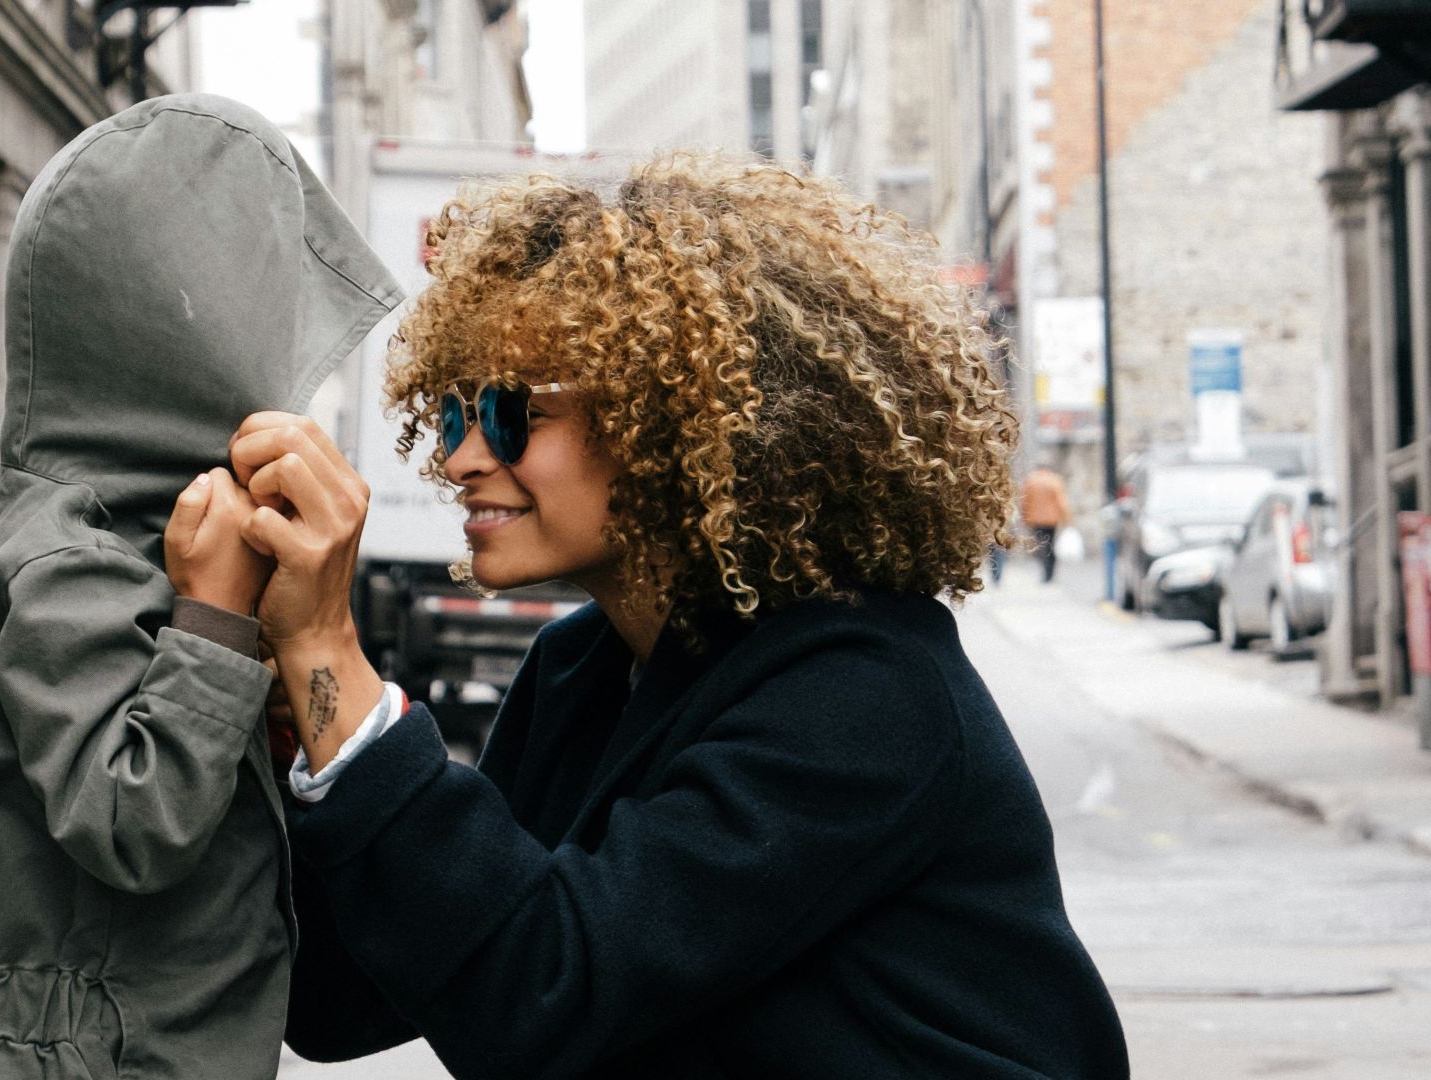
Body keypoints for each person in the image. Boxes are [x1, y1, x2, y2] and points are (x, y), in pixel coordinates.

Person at [230, 153, 1129, 1078]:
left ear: (668, 422)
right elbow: (345, 1003)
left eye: (510, 415)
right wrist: (298, 740)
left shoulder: (863, 695)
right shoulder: (580, 669)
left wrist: (327, 647)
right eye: (453, 412)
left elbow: (545, 994)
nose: (460, 458)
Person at [0, 94, 401, 1079]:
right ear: (192, 332)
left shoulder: (121, 530)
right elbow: (134, 822)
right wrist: (210, 626)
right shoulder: (69, 550)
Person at [1021, 462, 1073, 583]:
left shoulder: (1031, 480)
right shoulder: (1054, 480)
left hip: (1035, 519)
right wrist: (1066, 518)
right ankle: (1049, 573)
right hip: (1051, 519)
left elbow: (1025, 501)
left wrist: (1024, 517)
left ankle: (1044, 571)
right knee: (1050, 544)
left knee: (1040, 545)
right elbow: (1061, 501)